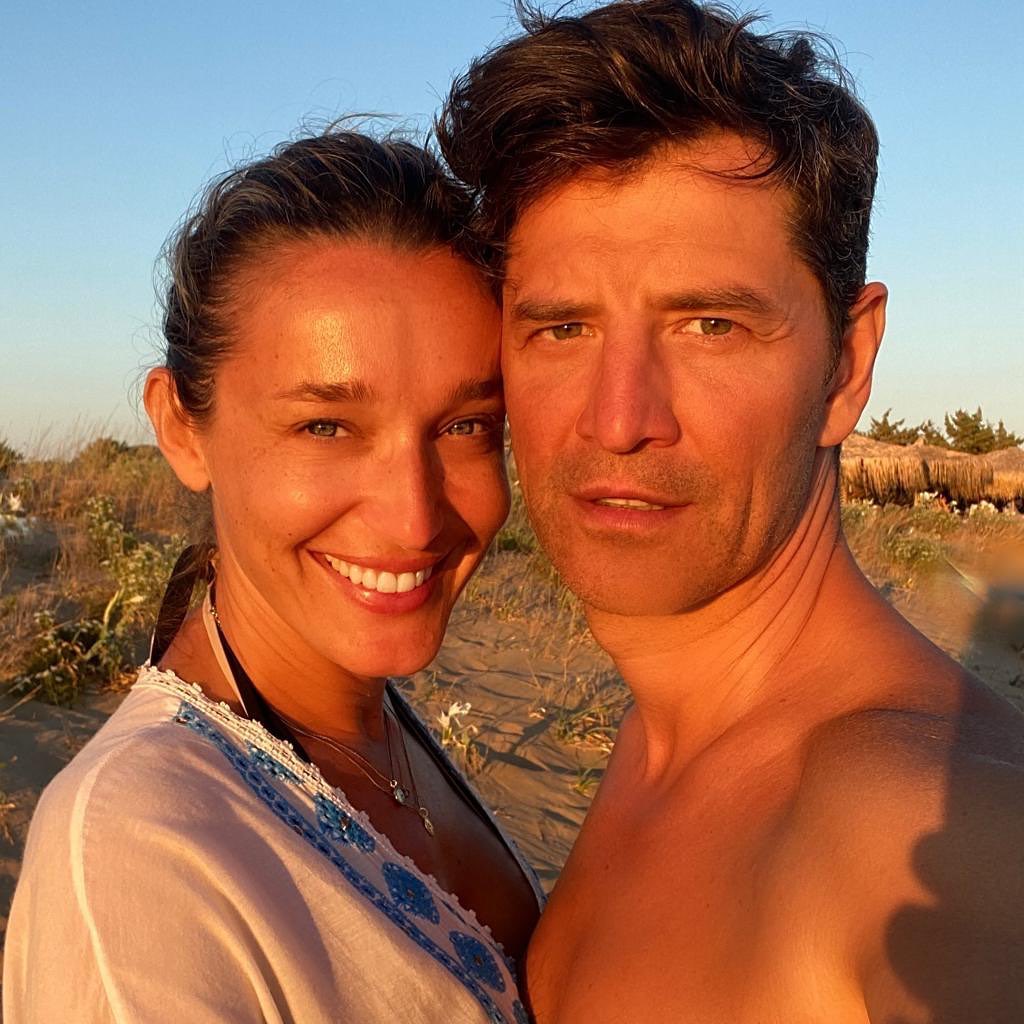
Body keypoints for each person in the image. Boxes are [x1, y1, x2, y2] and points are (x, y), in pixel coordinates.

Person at [438, 2, 1024, 1021]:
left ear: (847, 363)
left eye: (710, 324)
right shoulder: (666, 733)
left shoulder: (922, 823)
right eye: (563, 327)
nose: (619, 419)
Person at [3, 130, 541, 1024]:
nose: (415, 518)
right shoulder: (137, 860)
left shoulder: (372, 725)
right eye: (325, 427)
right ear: (181, 428)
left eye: (466, 426)